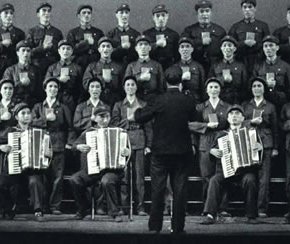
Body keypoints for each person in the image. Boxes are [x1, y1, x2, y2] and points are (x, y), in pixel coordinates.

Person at [133, 67, 198, 234]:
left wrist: (138, 109)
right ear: (181, 81)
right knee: (180, 190)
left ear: (165, 82)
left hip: (160, 152)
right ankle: (178, 227)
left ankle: (155, 227)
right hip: (182, 151)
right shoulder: (188, 100)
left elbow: (140, 117)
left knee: (158, 189)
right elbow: (195, 119)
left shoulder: (158, 99)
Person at [201, 104, 262, 225]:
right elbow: (212, 152)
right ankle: (210, 214)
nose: (234, 116)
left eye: (237, 114)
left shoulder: (250, 133)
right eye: (231, 114)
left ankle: (251, 215)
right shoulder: (221, 135)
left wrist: (259, 148)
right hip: (225, 171)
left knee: (250, 179)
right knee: (214, 180)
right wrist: (212, 151)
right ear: (228, 119)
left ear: (243, 118)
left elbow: (259, 156)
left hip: (244, 171)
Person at [69, 105, 128, 222]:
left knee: (107, 180)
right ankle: (83, 209)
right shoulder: (89, 132)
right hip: (93, 170)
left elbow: (128, 150)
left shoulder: (118, 132)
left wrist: (127, 152)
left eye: (107, 117)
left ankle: (114, 212)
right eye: (101, 117)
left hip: (113, 171)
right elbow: (74, 146)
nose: (105, 120)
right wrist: (79, 147)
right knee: (74, 180)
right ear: (95, 118)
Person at [0, 103, 50, 221]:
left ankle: (38, 211)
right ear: (16, 117)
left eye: (28, 113)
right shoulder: (10, 131)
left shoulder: (38, 132)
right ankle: (9, 209)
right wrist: (1, 147)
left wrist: (48, 154)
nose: (26, 116)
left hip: (32, 170)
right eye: (23, 113)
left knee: (35, 181)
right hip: (15, 169)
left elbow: (48, 150)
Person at [31, 77, 75, 215]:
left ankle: (55, 206)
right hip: (41, 144)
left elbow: (70, 127)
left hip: (58, 144)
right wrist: (45, 120)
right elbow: (30, 122)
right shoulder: (38, 107)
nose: (53, 89)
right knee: (43, 176)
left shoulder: (63, 108)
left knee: (57, 177)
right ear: (45, 88)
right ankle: (42, 206)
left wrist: (69, 142)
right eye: (50, 86)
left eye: (55, 87)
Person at [111, 76, 152, 216]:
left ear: (136, 87)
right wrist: (128, 120)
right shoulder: (118, 105)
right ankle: (124, 206)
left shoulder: (143, 104)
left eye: (133, 84)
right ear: (124, 87)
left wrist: (148, 145)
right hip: (123, 141)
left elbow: (148, 126)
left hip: (139, 140)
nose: (130, 87)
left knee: (139, 176)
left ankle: (140, 207)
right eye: (127, 84)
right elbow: (114, 124)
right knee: (124, 176)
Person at [190, 77, 230, 211]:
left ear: (220, 90)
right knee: (206, 176)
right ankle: (207, 208)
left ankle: (222, 208)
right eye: (211, 87)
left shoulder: (227, 107)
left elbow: (232, 125)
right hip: (205, 141)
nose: (213, 90)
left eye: (216, 87)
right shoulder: (200, 107)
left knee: (222, 175)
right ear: (206, 90)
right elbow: (191, 125)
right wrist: (206, 125)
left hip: (222, 140)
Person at [242, 77, 278, 217]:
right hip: (249, 143)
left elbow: (275, 128)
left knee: (264, 178)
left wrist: (275, 147)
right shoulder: (246, 105)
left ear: (264, 89)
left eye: (259, 86)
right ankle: (249, 208)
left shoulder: (270, 106)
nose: (257, 88)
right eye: (254, 86)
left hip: (266, 143)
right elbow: (239, 123)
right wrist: (251, 122)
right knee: (249, 176)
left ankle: (262, 208)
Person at [181, 0, 227, 74]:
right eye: (201, 11)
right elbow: (182, 47)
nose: (205, 14)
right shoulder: (189, 30)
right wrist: (200, 42)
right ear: (197, 14)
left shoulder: (220, 30)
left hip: (215, 65)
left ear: (211, 13)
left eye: (207, 11)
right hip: (195, 65)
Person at [229, 0, 271, 74]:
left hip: (258, 60)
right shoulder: (236, 26)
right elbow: (230, 45)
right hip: (240, 60)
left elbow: (268, 44)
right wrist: (243, 43)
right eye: (245, 7)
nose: (247, 10)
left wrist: (256, 44)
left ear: (255, 9)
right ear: (242, 9)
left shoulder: (263, 26)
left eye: (250, 7)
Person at [82, 36, 125, 107]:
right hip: (97, 100)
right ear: (99, 49)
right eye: (103, 46)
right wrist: (102, 81)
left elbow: (124, 86)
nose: (105, 49)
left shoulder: (119, 67)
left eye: (108, 46)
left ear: (112, 49)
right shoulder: (92, 66)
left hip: (115, 101)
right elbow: (85, 84)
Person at [252, 35, 290, 109]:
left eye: (271, 45)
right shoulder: (258, 66)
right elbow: (253, 85)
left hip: (281, 101)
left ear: (277, 47)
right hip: (263, 101)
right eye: (265, 46)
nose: (268, 48)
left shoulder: (285, 66)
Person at [45, 40, 83, 113]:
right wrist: (58, 79)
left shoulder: (77, 68)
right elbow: (45, 83)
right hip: (55, 99)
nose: (65, 51)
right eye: (63, 48)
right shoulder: (52, 68)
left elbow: (81, 89)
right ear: (59, 51)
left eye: (68, 49)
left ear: (72, 51)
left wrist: (78, 102)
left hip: (72, 101)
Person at [26, 2, 63, 77]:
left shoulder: (57, 32)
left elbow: (62, 51)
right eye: (44, 11)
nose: (46, 13)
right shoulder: (32, 31)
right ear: (38, 14)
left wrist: (53, 47)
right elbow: (28, 51)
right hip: (37, 66)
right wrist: (42, 48)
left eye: (49, 11)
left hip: (53, 66)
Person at [208, 35, 248, 105]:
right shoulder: (216, 66)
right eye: (224, 46)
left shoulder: (241, 66)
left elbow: (245, 86)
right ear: (221, 48)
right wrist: (222, 79)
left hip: (236, 100)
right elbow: (209, 83)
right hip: (220, 100)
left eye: (229, 45)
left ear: (234, 49)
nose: (227, 48)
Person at [0, 3, 26, 73]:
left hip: (14, 64)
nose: (9, 15)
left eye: (11, 13)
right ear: (0, 16)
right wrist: (1, 44)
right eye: (6, 13)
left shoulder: (19, 33)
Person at [124, 35, 165, 102]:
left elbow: (161, 86)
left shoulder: (157, 65)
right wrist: (139, 79)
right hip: (137, 99)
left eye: (146, 44)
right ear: (136, 48)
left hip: (153, 99)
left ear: (150, 48)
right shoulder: (131, 66)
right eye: (140, 44)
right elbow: (126, 86)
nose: (143, 47)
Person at [65, 4, 104, 71]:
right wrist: (85, 43)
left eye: (89, 13)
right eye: (84, 13)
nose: (86, 15)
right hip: (79, 63)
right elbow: (70, 50)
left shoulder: (98, 32)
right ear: (79, 16)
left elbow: (104, 48)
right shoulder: (73, 32)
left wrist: (94, 43)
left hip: (95, 63)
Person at [2, 40, 41, 105]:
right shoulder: (10, 70)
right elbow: (6, 89)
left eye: (28, 51)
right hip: (15, 103)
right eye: (23, 50)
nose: (26, 53)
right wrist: (20, 84)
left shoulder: (36, 70)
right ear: (17, 53)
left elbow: (39, 91)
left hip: (32, 103)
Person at [167, 37, 205, 101]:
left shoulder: (198, 66)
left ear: (192, 49)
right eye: (182, 47)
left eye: (187, 46)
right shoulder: (175, 67)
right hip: (179, 100)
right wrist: (181, 79)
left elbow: (203, 87)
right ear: (179, 50)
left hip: (195, 99)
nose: (185, 49)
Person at [143, 4, 180, 70]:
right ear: (153, 18)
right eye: (157, 16)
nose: (160, 19)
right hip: (151, 67)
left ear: (167, 16)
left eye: (163, 15)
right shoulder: (147, 34)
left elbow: (177, 55)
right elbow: (142, 51)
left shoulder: (174, 34)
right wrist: (156, 44)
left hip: (169, 67)